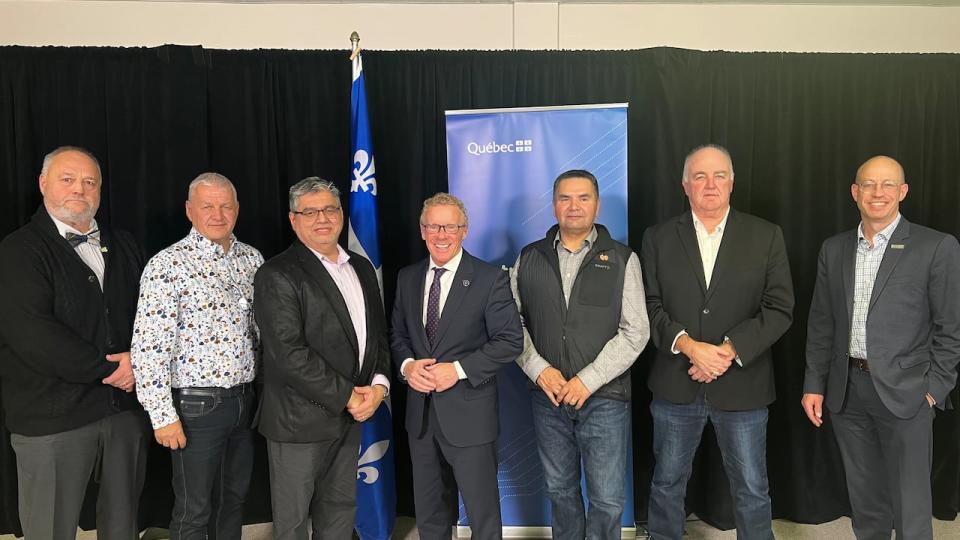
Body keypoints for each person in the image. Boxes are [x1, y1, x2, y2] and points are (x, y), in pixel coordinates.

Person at [803, 155, 960, 540]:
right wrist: (814, 383)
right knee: (866, 501)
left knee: (911, 506)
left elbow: (950, 327)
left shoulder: (935, 247)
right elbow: (822, 322)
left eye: (888, 184)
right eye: (869, 185)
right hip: (847, 392)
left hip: (907, 394)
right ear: (855, 193)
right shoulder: (834, 249)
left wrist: (933, 389)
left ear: (902, 192)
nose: (878, 193)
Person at [641, 145, 793, 540]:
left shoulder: (766, 235)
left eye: (719, 176)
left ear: (732, 182)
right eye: (700, 177)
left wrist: (728, 352)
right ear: (685, 185)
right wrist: (690, 347)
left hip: (743, 384)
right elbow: (649, 305)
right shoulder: (657, 237)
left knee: (752, 488)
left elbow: (779, 308)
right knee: (667, 483)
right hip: (676, 381)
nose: (710, 185)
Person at [0, 146, 150, 539]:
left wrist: (140, 361)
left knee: (123, 526)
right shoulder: (18, 250)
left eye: (89, 182)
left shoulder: (125, 245)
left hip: (123, 412)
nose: (79, 190)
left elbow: (149, 316)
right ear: (43, 183)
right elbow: (32, 334)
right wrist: (112, 370)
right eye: (67, 179)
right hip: (52, 416)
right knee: (49, 528)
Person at [511, 170, 649, 540]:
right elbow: (511, 325)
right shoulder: (529, 257)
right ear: (554, 204)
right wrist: (539, 370)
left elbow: (636, 332)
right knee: (560, 491)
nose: (574, 207)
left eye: (583, 198)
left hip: (604, 398)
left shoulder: (622, 259)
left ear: (597, 204)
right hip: (549, 397)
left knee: (606, 499)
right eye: (566, 198)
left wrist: (586, 380)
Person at [254, 177, 390, 540]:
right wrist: (349, 396)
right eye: (310, 212)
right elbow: (287, 354)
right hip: (299, 422)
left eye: (330, 209)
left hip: (351, 416)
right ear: (293, 219)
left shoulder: (360, 268)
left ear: (342, 214)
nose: (322, 219)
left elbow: (377, 337)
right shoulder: (277, 273)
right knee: (294, 521)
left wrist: (378, 386)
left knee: (340, 512)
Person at [131, 172, 262, 539]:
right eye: (208, 206)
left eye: (225, 205)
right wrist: (161, 415)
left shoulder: (252, 259)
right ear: (190, 211)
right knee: (194, 509)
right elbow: (148, 346)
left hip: (244, 400)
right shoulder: (168, 266)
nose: (218, 214)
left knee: (234, 499)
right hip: (196, 408)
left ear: (236, 209)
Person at [391, 192, 523, 540]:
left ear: (464, 230)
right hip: (420, 418)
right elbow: (398, 335)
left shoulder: (489, 278)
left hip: (470, 416)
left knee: (482, 514)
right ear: (422, 231)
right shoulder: (407, 277)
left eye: (450, 226)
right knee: (430, 513)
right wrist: (407, 366)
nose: (441, 234)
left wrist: (459, 370)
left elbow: (510, 341)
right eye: (433, 226)